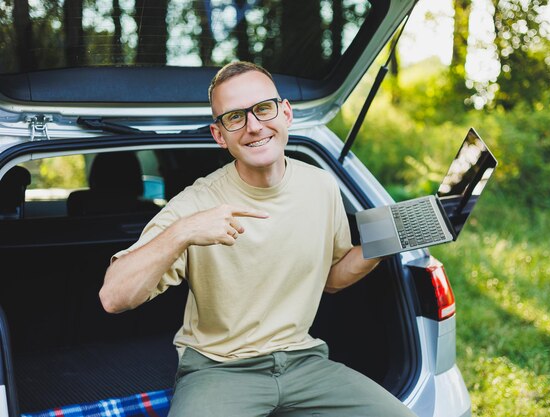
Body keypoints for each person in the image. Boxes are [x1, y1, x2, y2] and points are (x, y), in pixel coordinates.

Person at [99, 61, 415, 417]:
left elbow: (331, 279)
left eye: (263, 109)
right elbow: (114, 297)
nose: (254, 126)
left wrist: (386, 242)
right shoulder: (196, 203)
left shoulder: (322, 186)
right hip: (219, 369)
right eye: (235, 117)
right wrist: (185, 231)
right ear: (220, 135)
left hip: (304, 362)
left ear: (286, 113)